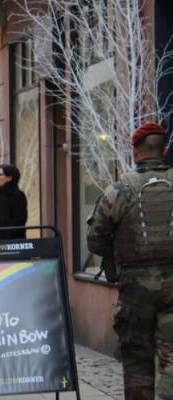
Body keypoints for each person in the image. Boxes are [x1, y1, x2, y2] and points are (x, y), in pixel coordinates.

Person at [88, 122, 173, 400]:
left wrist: (116, 259)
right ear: (165, 150)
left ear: (135, 151)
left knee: (137, 365)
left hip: (135, 291)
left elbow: (95, 239)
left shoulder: (119, 190)